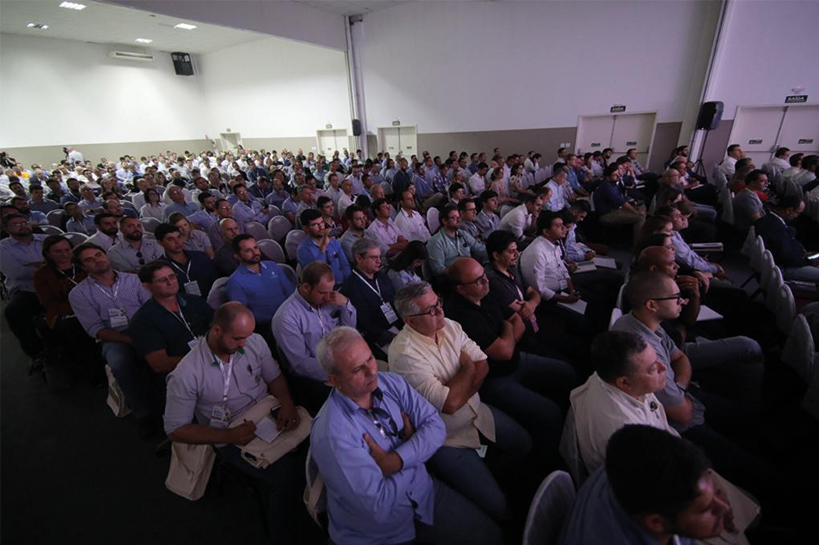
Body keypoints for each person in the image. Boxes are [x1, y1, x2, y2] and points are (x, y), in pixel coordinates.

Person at [310, 327, 502, 545]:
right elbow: (378, 507)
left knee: (491, 536)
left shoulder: (391, 382)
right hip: (381, 534)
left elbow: (436, 427)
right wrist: (413, 452)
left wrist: (396, 461)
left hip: (423, 492)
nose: (371, 372)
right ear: (334, 380)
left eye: (370, 359)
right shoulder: (332, 435)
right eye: (357, 369)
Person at [611, 272, 772, 495]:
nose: (683, 301)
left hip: (687, 397)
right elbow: (683, 414)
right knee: (760, 474)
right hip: (681, 431)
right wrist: (681, 392)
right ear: (651, 305)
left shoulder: (645, 321)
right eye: (675, 297)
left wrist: (680, 387)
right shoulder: (641, 350)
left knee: (751, 420)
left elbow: (680, 358)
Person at [389, 281, 531, 521]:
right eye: (431, 310)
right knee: (496, 506)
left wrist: (457, 387)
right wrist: (467, 368)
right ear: (410, 321)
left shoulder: (450, 326)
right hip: (446, 437)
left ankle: (490, 472)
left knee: (524, 444)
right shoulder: (405, 354)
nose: (440, 311)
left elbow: (483, 365)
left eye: (438, 302)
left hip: (476, 411)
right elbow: (451, 404)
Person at [164, 302, 304, 545]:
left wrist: (287, 403)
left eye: (247, 337)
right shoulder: (187, 373)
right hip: (229, 433)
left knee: (321, 447)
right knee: (285, 476)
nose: (244, 345)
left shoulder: (254, 342)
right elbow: (175, 430)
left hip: (267, 411)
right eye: (237, 339)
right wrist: (229, 436)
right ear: (217, 330)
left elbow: (274, 377)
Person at [445, 258, 575, 461]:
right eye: (478, 280)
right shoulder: (460, 315)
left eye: (484, 275)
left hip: (516, 358)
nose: (486, 281)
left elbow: (517, 321)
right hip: (496, 379)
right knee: (551, 414)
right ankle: (551, 458)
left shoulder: (485, 293)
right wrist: (507, 329)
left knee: (567, 372)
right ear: (461, 289)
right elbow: (504, 350)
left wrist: (507, 336)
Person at [560, 425, 732, 545]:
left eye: (716, 494)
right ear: (656, 522)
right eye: (706, 510)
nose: (724, 507)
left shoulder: (629, 464)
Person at [69, 243, 158, 436]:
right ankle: (143, 414)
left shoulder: (134, 279)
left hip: (145, 328)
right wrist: (130, 340)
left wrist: (146, 335)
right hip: (114, 336)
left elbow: (151, 308)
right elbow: (95, 329)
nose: (97, 260)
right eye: (89, 260)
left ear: (106, 255)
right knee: (120, 364)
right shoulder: (79, 293)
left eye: (98, 254)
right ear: (83, 266)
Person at [570, 331, 678, 473]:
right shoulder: (627, 434)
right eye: (653, 368)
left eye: (657, 359)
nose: (664, 367)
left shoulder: (613, 375)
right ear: (624, 382)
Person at [271, 262, 357, 414]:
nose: (328, 297)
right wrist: (338, 370)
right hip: (313, 376)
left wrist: (346, 305)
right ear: (306, 287)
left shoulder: (330, 299)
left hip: (341, 359)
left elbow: (349, 333)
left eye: (331, 291)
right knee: (354, 401)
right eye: (322, 293)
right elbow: (300, 364)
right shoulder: (286, 317)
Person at [130, 261, 214, 374]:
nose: (170, 282)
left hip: (214, 359)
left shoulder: (195, 301)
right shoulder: (143, 320)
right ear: (147, 286)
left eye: (172, 276)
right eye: (162, 280)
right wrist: (203, 358)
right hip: (183, 373)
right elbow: (160, 364)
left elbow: (217, 325)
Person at [342, 238, 401, 359]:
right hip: (377, 338)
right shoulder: (351, 287)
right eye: (374, 257)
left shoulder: (382, 277)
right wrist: (392, 337)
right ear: (359, 258)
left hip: (396, 327)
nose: (379, 261)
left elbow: (394, 302)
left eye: (379, 257)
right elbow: (365, 323)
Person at [226, 234, 295, 334]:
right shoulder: (235, 281)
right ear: (238, 256)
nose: (255, 252)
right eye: (248, 250)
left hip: (291, 316)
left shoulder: (272, 266)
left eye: (255, 248)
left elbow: (290, 292)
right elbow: (243, 313)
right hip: (266, 326)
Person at [0, 214, 46, 362]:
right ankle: (37, 353)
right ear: (6, 229)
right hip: (27, 290)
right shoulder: (3, 247)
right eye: (16, 224)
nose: (23, 226)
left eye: (24, 222)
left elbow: (64, 262)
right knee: (13, 312)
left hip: (53, 285)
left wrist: (31, 266)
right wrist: (46, 265)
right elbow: (16, 272)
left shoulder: (45, 240)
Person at [754, 194, 819, 282]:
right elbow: (786, 257)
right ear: (789, 210)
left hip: (788, 260)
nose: (797, 216)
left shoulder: (769, 219)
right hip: (784, 268)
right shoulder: (776, 227)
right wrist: (808, 261)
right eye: (798, 213)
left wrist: (804, 254)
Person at [155, 224, 218, 298]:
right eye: (170, 239)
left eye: (179, 237)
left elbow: (216, 282)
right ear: (160, 242)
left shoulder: (200, 257)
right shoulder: (160, 267)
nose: (177, 242)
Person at [426, 205, 487, 277]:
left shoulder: (463, 234)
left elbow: (479, 248)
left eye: (459, 217)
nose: (459, 220)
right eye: (454, 218)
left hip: (470, 271)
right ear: (444, 221)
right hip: (452, 278)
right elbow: (439, 270)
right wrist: (459, 271)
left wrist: (494, 251)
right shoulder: (436, 242)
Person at [297, 209, 351, 286]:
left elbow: (345, 265)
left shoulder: (333, 242)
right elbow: (316, 274)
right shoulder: (303, 250)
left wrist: (347, 281)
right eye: (315, 225)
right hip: (324, 288)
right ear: (306, 228)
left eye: (322, 222)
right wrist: (323, 246)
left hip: (343, 283)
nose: (321, 227)